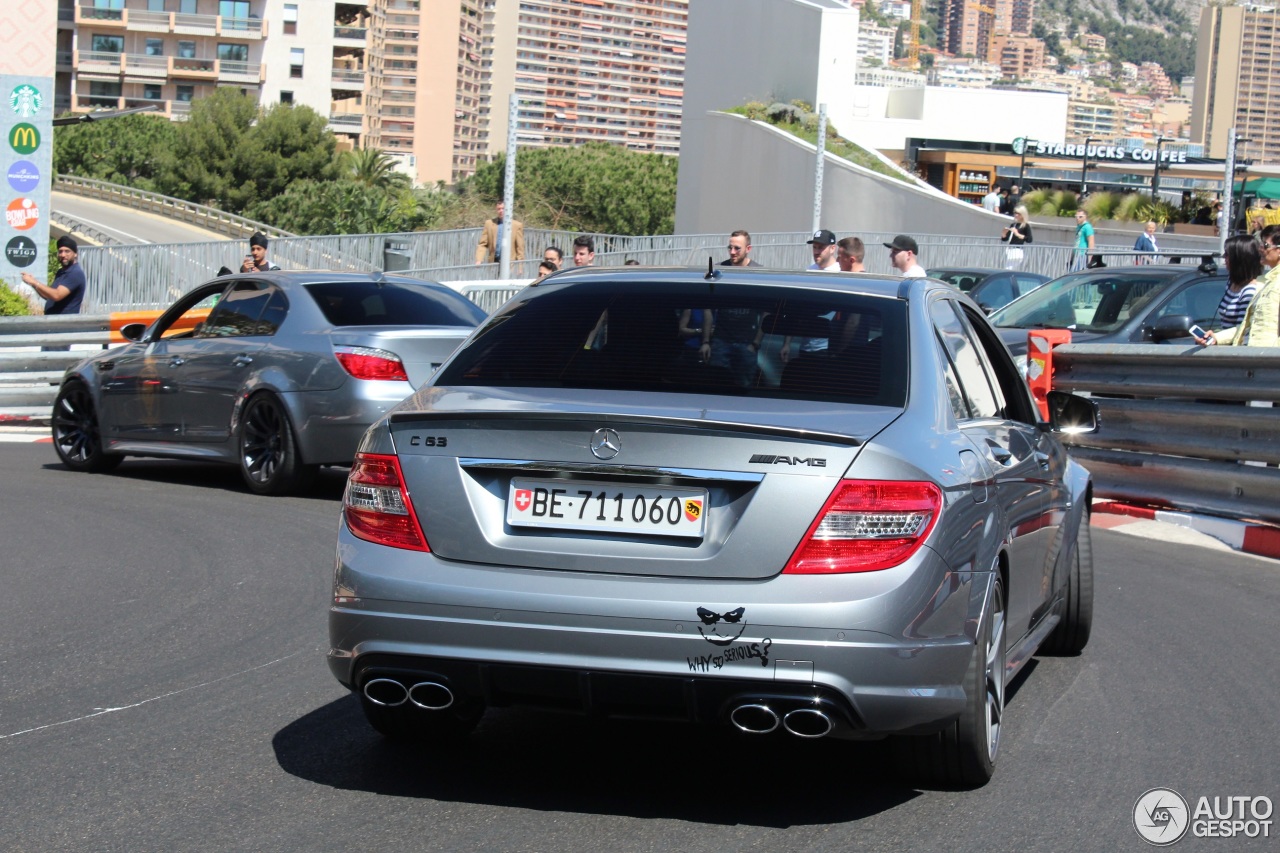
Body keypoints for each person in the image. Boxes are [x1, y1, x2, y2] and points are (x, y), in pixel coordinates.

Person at [1199, 225, 1280, 348]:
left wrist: (1272, 358)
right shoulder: (1266, 281)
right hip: (1257, 359)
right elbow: (1248, 327)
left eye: (1266, 245)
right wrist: (1217, 337)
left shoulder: (1268, 285)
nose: (1261, 249)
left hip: (1270, 362)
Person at [22, 235, 85, 315]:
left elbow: (57, 295)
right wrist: (33, 284)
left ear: (75, 254)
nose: (63, 255)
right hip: (54, 322)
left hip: (65, 323)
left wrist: (34, 282)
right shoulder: (61, 272)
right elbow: (49, 297)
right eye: (60, 251)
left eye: (67, 251)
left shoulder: (75, 273)